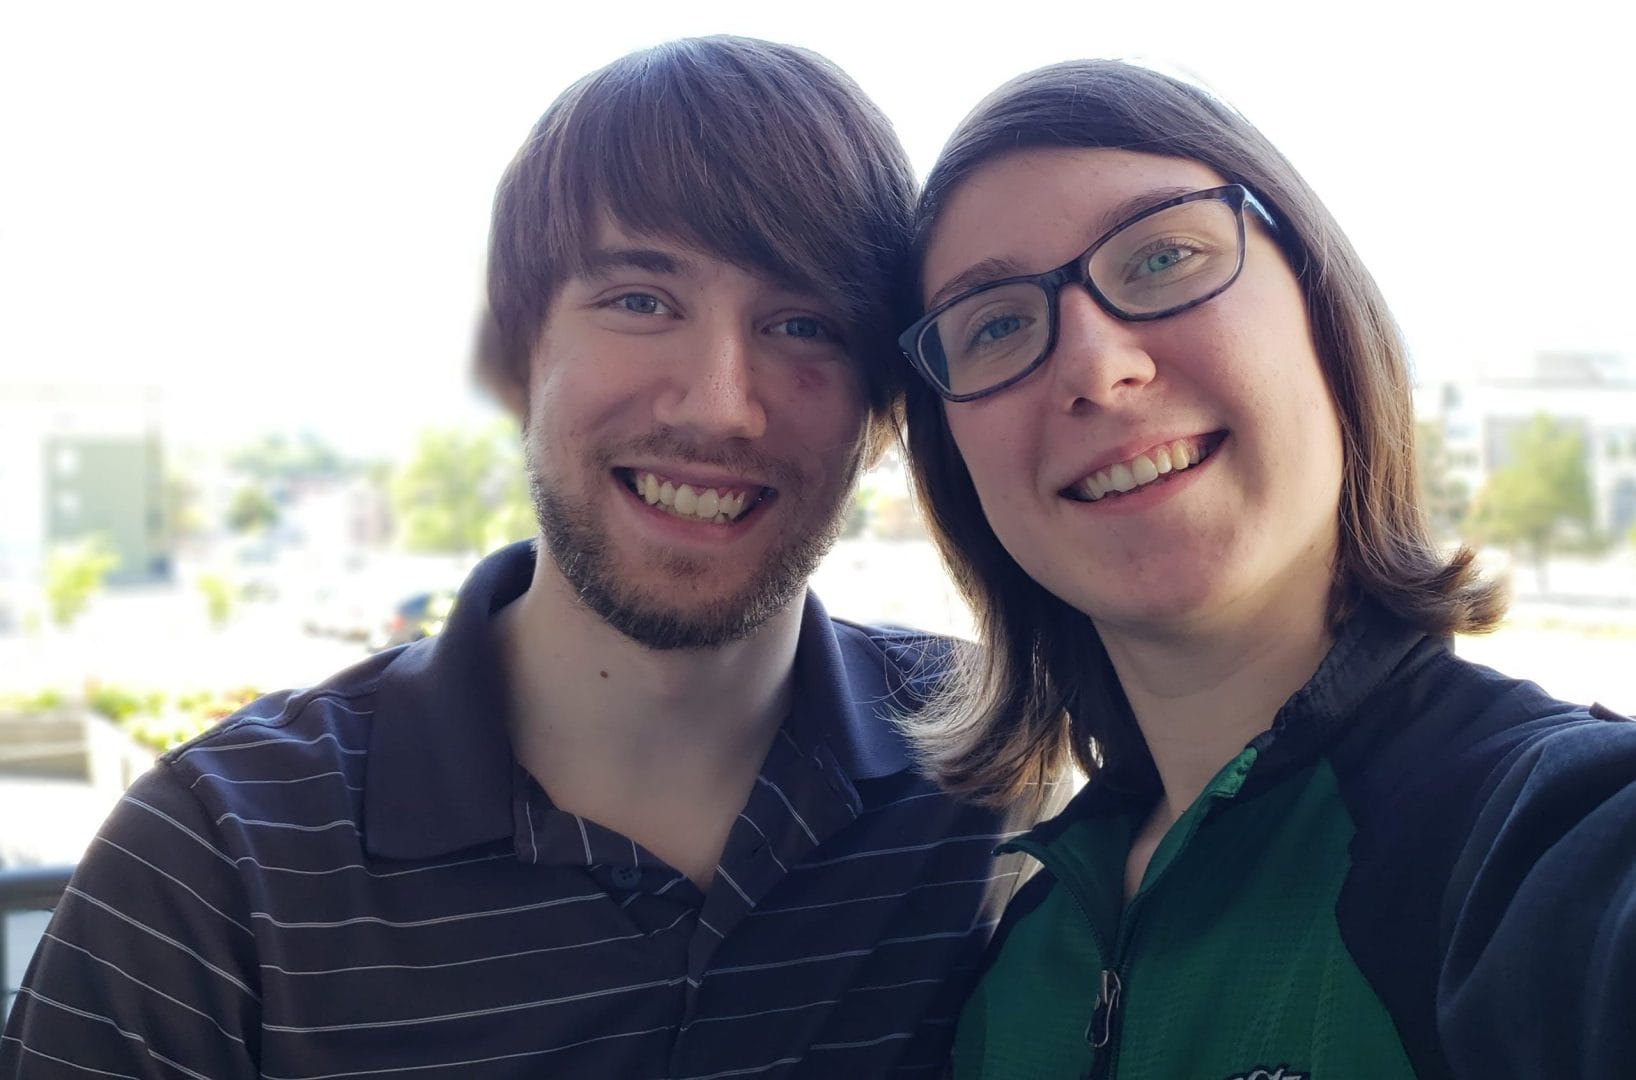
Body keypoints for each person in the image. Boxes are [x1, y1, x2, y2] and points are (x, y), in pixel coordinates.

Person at [1, 37, 1024, 1079]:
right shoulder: (215, 862)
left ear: (882, 413)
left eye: (804, 323)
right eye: (640, 300)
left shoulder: (987, 762)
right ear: (520, 353)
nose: (720, 402)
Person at [895, 59, 1636, 1079]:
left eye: (1161, 257)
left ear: (1323, 313)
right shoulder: (1018, 956)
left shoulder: (1541, 845)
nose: (1094, 367)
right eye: (996, 326)